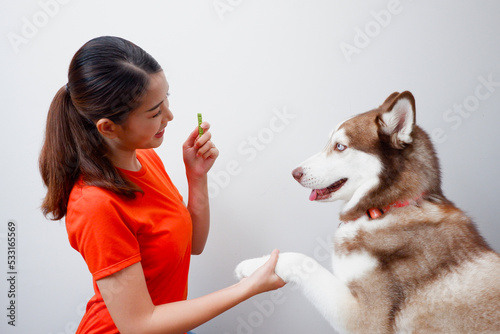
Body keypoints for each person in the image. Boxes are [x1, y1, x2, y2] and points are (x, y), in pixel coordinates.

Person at [39, 36, 285, 334]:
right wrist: (247, 288)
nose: (169, 116)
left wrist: (197, 176)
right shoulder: (95, 204)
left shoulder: (145, 158)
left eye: (166, 99)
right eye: (155, 112)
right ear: (108, 127)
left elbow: (193, 245)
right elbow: (139, 324)